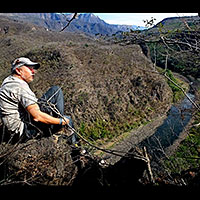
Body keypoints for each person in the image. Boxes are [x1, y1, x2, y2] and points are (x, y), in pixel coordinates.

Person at [0, 57, 78, 144]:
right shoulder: (19, 87)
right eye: (30, 69)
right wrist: (60, 122)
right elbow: (37, 116)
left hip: (13, 129)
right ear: (19, 71)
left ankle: (63, 129)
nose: (33, 72)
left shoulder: (8, 82)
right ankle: (75, 149)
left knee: (55, 93)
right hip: (22, 131)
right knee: (66, 115)